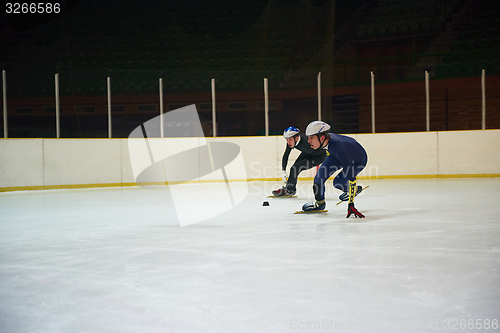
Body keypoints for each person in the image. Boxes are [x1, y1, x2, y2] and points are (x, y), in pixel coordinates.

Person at [302, 120, 367, 218]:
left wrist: (351, 205)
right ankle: (320, 204)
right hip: (337, 155)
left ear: (322, 138)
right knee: (318, 179)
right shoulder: (326, 141)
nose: (308, 141)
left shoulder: (339, 148)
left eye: (311, 138)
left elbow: (352, 179)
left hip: (357, 159)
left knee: (338, 182)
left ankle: (354, 191)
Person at [272, 126, 327, 196]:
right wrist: (283, 170)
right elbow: (286, 155)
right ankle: (290, 189)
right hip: (307, 152)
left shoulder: (307, 141)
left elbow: (323, 146)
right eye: (287, 140)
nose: (288, 142)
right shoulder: (291, 142)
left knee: (295, 167)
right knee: (294, 168)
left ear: (296, 138)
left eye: (290, 140)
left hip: (318, 156)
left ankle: (289, 190)